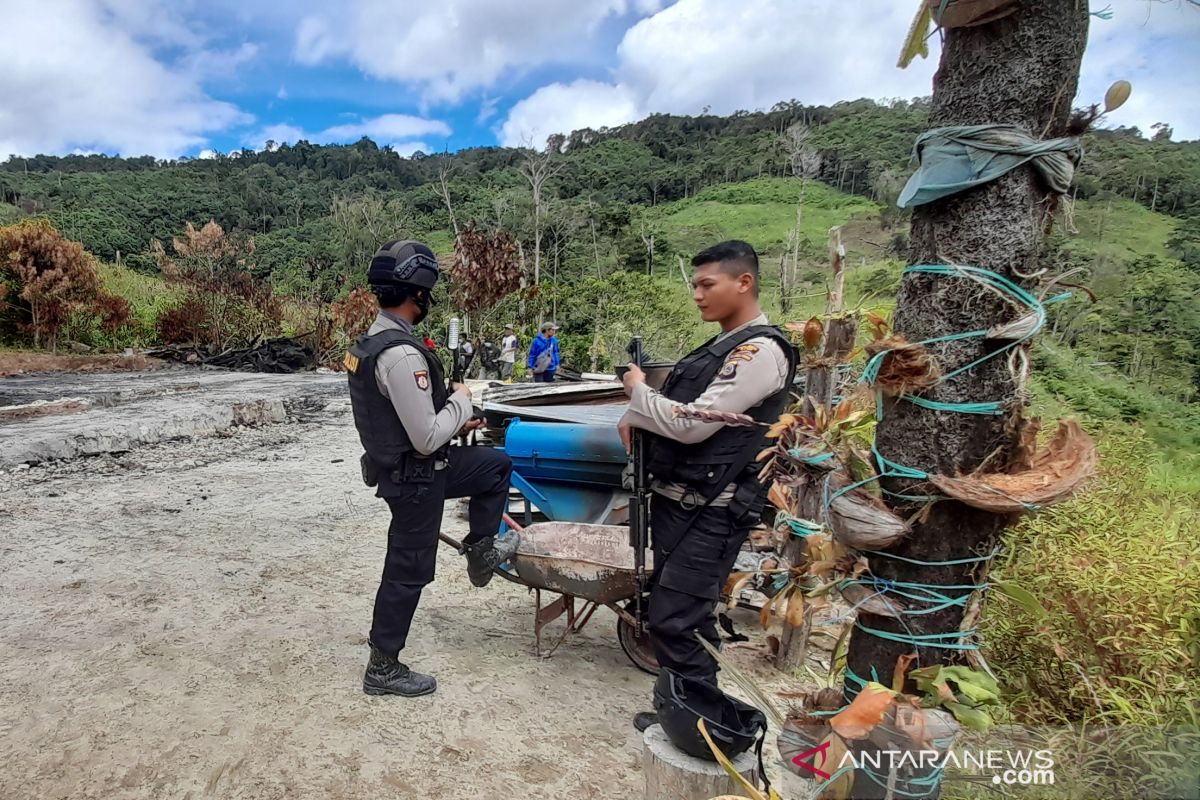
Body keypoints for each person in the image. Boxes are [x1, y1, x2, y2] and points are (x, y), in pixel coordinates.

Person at [617, 240, 796, 731]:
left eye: (706, 284)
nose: (697, 295)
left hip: (711, 510)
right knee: (682, 617)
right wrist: (640, 414)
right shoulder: (724, 345)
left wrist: (638, 394)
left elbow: (692, 424)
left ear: (745, 282)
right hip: (682, 504)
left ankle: (705, 730)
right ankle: (684, 714)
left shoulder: (760, 351)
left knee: (675, 620)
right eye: (694, 285)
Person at [344, 239, 520, 698]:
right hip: (416, 476)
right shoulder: (401, 355)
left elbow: (408, 419)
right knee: (407, 570)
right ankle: (382, 666)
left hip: (416, 467)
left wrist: (457, 418)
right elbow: (424, 436)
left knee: (495, 465)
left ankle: (481, 548)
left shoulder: (370, 343)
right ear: (416, 294)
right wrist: (461, 403)